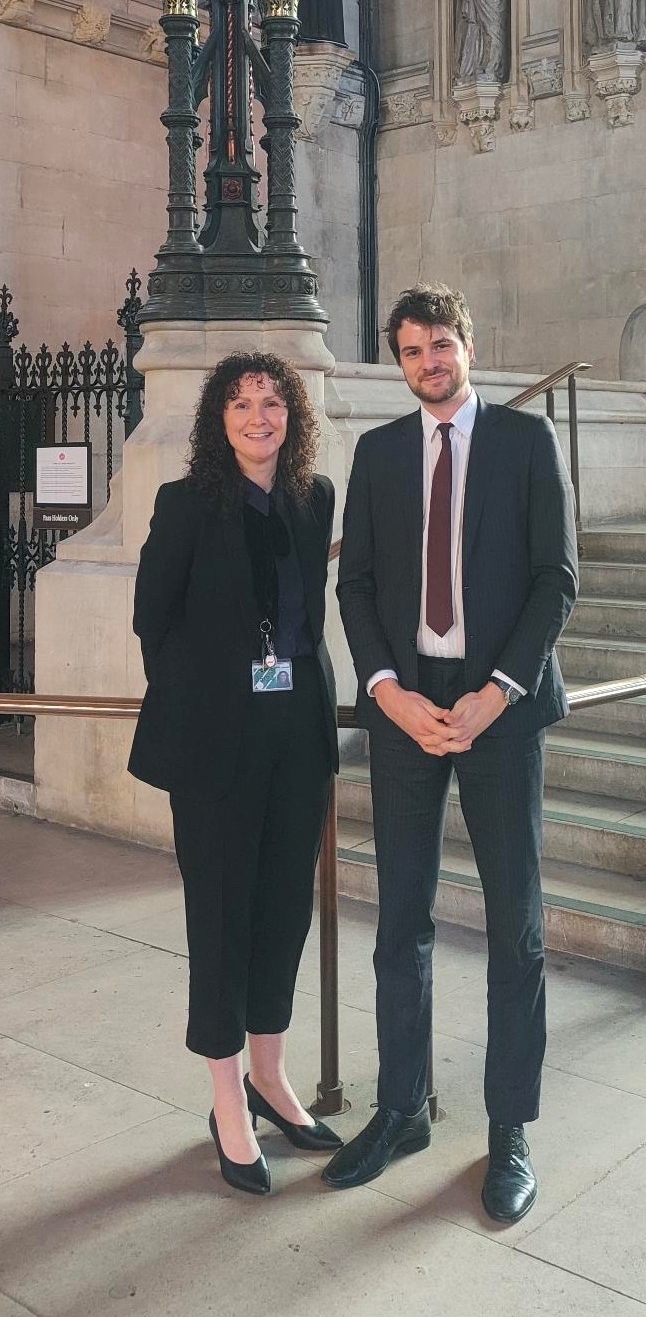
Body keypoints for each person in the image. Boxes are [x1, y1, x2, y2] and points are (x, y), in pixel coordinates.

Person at [323, 286, 578, 1223]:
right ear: (398, 363)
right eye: (411, 350)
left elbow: (557, 578)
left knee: (515, 926)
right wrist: (387, 691)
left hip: (498, 714)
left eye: (441, 344)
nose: (428, 361)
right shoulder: (380, 452)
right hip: (404, 715)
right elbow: (355, 587)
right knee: (402, 921)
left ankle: (509, 1130)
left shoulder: (524, 443)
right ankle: (403, 1106)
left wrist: (495, 690)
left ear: (468, 344)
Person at [128, 351, 342, 1196]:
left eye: (274, 401)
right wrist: (215, 695)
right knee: (220, 917)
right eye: (243, 403)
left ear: (294, 415)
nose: (260, 416)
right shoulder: (185, 505)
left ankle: (270, 1074)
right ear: (219, 419)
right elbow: (152, 621)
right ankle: (226, 1099)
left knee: (284, 912)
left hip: (297, 735)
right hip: (218, 745)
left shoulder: (312, 498)